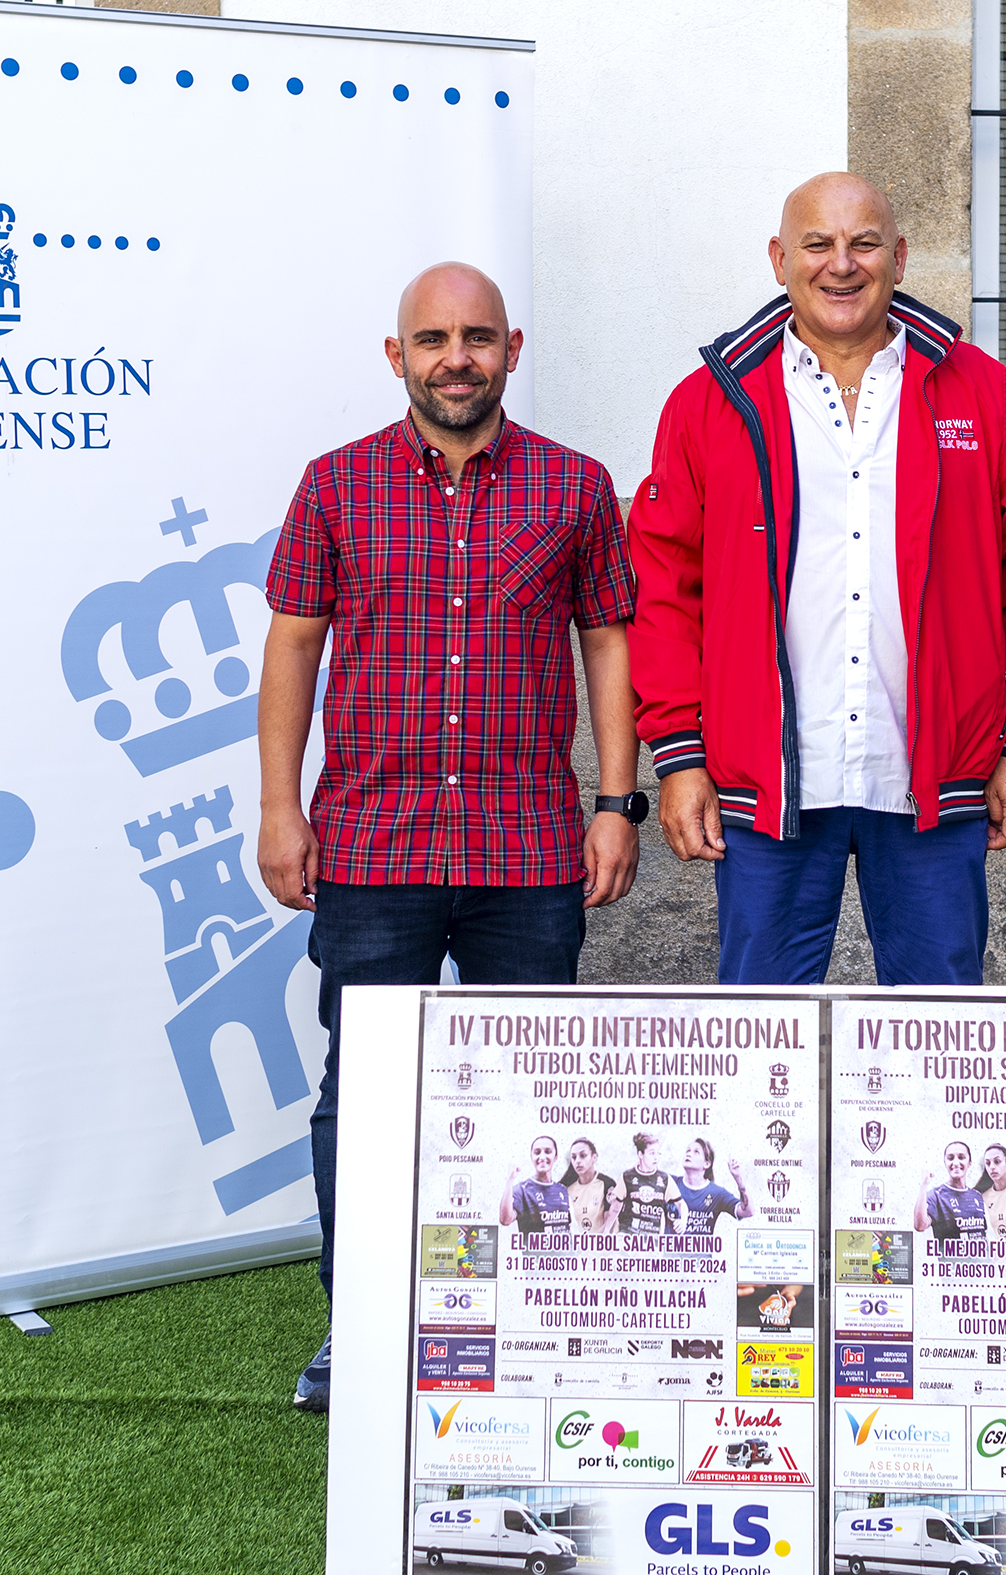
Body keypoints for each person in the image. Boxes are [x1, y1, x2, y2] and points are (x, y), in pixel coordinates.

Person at [258, 263, 647, 1414]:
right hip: (372, 846)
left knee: (535, 1100)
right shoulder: (335, 485)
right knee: (366, 1096)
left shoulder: (576, 487)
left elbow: (608, 642)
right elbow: (293, 644)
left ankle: (523, 1323)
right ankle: (362, 1323)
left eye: (477, 336)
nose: (456, 358)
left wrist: (614, 803)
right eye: (432, 339)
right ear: (398, 357)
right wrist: (280, 808)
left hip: (526, 850)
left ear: (511, 349)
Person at [628, 171, 1006, 984]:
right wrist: (680, 755)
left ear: (898, 257)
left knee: (940, 1027)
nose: (842, 264)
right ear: (779, 259)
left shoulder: (981, 392)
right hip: (769, 781)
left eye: (864, 243)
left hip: (936, 774)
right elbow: (664, 593)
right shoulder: (710, 403)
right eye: (818, 244)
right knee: (764, 1027)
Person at [672, 1138, 755, 1234]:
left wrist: (739, 1179)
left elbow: (748, 1211)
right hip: (672, 1244)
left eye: (696, 1152)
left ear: (707, 1164)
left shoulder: (717, 1193)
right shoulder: (670, 1183)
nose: (689, 1154)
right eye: (688, 1150)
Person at [912, 1141, 988, 1239]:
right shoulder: (936, 1195)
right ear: (945, 1163)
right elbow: (920, 1226)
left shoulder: (977, 1195)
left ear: (969, 1163)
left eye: (961, 1157)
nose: (956, 1163)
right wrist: (923, 1186)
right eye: (950, 1158)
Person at [501, 1135, 574, 1236]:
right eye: (537, 1152)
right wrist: (510, 1180)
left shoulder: (562, 1189)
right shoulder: (522, 1190)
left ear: (555, 1157)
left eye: (548, 1152)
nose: (542, 1157)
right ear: (531, 1157)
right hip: (535, 1247)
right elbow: (505, 1220)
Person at [619, 1132, 682, 1235]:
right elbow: (615, 1207)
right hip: (628, 1235)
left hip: (652, 1237)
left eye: (658, 1153)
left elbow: (681, 1204)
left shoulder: (664, 1178)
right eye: (652, 1153)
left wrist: (683, 1221)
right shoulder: (628, 1176)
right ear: (640, 1154)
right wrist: (606, 1231)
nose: (656, 1158)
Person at [561, 1137, 621, 1232]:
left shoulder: (606, 1184)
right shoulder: (568, 1189)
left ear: (594, 1157)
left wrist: (594, 1239)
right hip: (579, 1240)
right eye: (574, 1157)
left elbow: (610, 1223)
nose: (578, 1161)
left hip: (603, 1240)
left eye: (583, 1155)